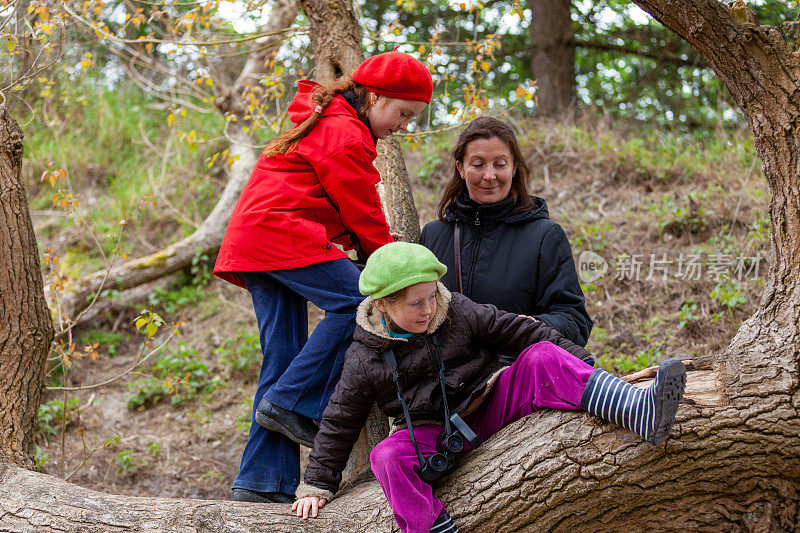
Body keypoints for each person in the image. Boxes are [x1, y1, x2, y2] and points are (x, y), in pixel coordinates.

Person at [292, 242, 687, 532]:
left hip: (488, 399)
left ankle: (641, 411)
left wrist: (575, 362)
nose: (429, 310)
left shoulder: (455, 309)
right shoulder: (365, 356)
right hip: (432, 433)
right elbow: (340, 418)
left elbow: (514, 329)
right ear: (382, 305)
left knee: (542, 355)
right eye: (416, 304)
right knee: (386, 457)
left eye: (431, 297)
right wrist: (317, 484)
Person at [213, 51, 433, 504]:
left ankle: (260, 481)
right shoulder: (345, 133)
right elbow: (364, 213)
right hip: (280, 234)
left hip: (259, 238)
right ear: (374, 96)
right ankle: (293, 403)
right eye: (402, 113)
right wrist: (392, 269)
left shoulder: (331, 118)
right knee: (363, 303)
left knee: (282, 357)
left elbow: (330, 200)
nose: (404, 125)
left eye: (413, 117)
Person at [420, 117, 593, 349]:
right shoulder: (433, 235)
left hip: (516, 372)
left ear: (514, 169)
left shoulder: (545, 236)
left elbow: (575, 321)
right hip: (449, 378)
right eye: (478, 164)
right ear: (461, 168)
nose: (489, 175)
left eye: (500, 164)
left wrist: (532, 325)